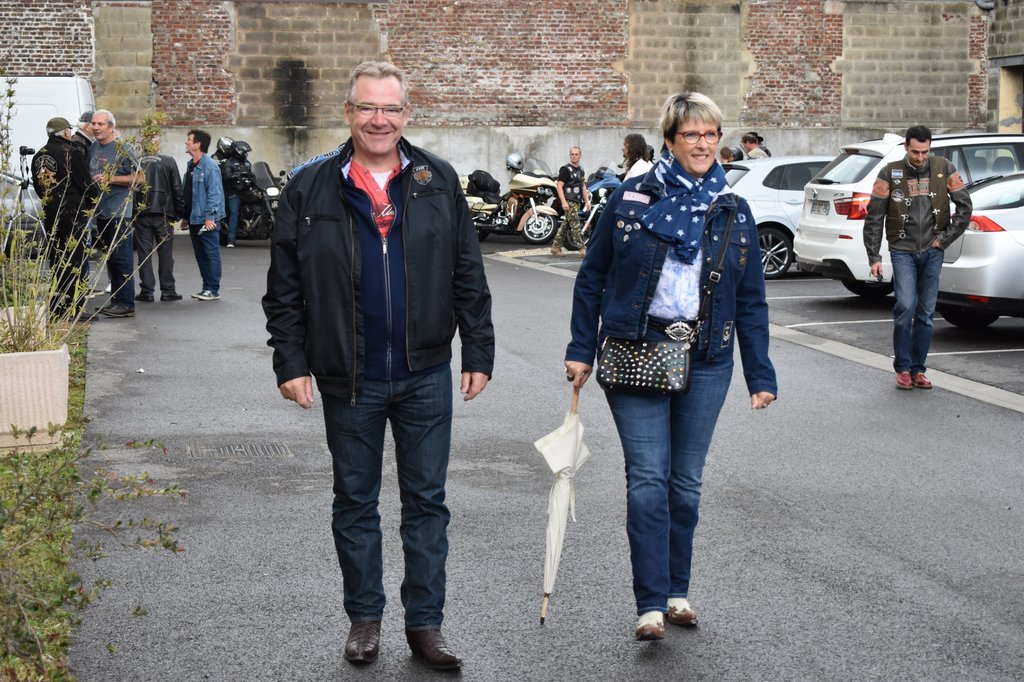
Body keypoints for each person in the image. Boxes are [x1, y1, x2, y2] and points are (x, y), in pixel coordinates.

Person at [262, 60, 494, 671]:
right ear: (348, 112)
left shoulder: (438, 180)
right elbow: (284, 289)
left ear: (406, 115)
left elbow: (468, 273)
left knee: (427, 503)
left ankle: (426, 625)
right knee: (355, 501)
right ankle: (365, 619)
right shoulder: (309, 186)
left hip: (425, 373)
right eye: (367, 107)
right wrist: (290, 361)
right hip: (349, 376)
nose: (379, 120)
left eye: (391, 108)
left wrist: (479, 349)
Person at [563, 91, 777, 642]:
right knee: (647, 480)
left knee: (685, 484)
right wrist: (581, 347)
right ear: (669, 140)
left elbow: (751, 298)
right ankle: (650, 604)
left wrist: (760, 374)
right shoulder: (632, 199)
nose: (702, 144)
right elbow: (593, 276)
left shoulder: (732, 208)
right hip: (637, 348)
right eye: (691, 135)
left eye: (711, 135)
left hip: (706, 358)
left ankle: (678, 591)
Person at [863, 125, 972, 390]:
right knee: (905, 306)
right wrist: (873, 256)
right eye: (915, 152)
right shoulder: (889, 172)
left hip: (933, 251)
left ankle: (918, 369)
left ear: (929, 148)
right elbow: (875, 216)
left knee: (926, 313)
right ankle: (902, 367)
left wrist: (944, 239)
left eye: (925, 152)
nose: (920, 157)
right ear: (906, 148)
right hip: (902, 250)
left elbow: (965, 206)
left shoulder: (944, 168)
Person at [30, 117, 93, 319]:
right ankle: (74, 308)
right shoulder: (71, 152)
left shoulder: (38, 155)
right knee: (75, 260)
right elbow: (87, 184)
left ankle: (57, 307)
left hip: (51, 214)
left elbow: (39, 187)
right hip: (72, 214)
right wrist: (91, 202)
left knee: (57, 259)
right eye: (69, 130)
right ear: (65, 132)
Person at [88, 109, 142, 318]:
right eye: (94, 123)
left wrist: (111, 179)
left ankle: (126, 303)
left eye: (101, 124)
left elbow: (141, 177)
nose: (96, 127)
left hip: (119, 213)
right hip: (101, 212)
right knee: (111, 259)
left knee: (122, 259)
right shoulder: (94, 146)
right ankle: (117, 301)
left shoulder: (123, 147)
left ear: (111, 127)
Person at [134, 133, 184, 302]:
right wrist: (179, 212)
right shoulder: (168, 161)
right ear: (156, 144)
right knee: (165, 253)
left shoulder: (137, 161)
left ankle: (147, 290)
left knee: (144, 253)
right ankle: (168, 289)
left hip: (142, 213)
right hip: (163, 213)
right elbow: (177, 188)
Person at [182, 129, 225, 301]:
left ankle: (213, 289)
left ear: (197, 144)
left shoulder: (210, 166)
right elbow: (189, 193)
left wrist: (209, 217)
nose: (186, 142)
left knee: (211, 253)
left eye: (189, 139)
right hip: (194, 217)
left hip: (206, 218)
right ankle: (206, 287)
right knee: (200, 254)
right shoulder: (191, 165)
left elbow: (214, 193)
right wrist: (185, 217)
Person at [550, 145, 591, 258]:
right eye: (572, 154)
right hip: (569, 201)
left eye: (576, 154)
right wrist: (564, 202)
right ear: (569, 155)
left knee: (566, 225)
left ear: (580, 155)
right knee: (575, 224)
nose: (574, 156)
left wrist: (587, 201)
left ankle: (555, 247)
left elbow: (583, 186)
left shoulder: (581, 170)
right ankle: (582, 248)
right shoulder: (565, 170)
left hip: (577, 201)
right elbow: (559, 186)